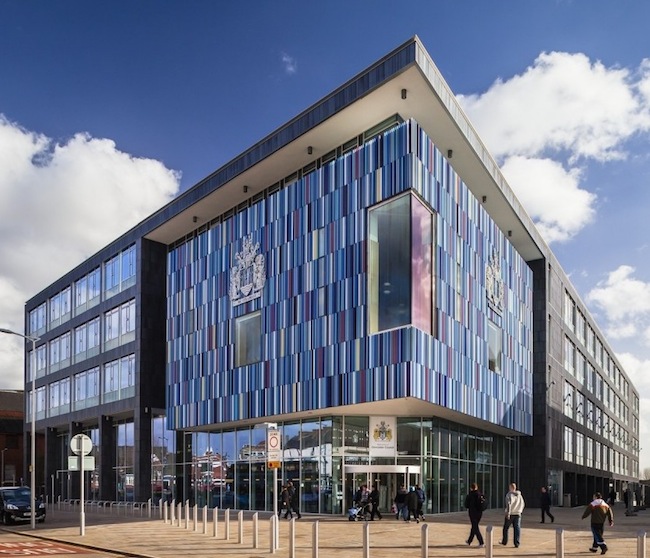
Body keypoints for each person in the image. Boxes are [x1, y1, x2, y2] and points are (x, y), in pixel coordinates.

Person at [500, 483, 525, 548]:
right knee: (517, 528)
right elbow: (523, 503)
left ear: (511, 487)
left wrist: (508, 513)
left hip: (511, 513)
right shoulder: (519, 495)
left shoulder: (509, 495)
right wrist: (520, 511)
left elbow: (508, 505)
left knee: (506, 528)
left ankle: (504, 541)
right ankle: (516, 543)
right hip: (518, 513)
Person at [464, 483, 485, 548]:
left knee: (475, 527)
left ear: (471, 488)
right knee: (474, 526)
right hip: (479, 513)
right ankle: (469, 540)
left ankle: (481, 542)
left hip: (473, 513)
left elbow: (466, 505)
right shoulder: (480, 494)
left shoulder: (470, 495)